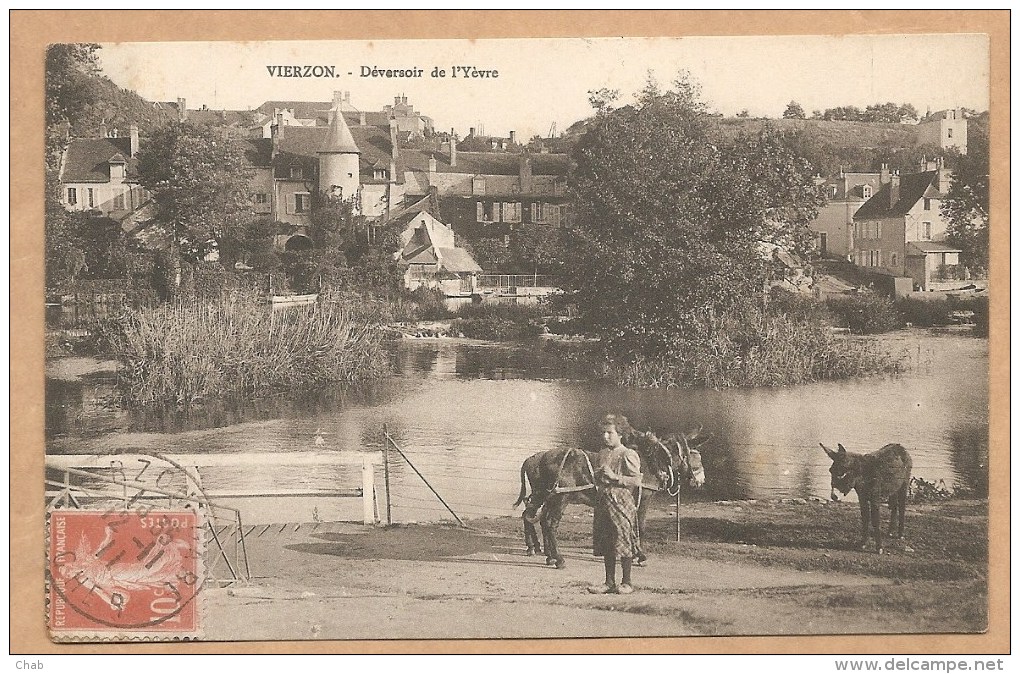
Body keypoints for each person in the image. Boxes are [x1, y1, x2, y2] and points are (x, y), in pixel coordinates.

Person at [588, 414, 643, 595]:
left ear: (620, 434)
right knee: (606, 540)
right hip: (604, 500)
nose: (605, 436)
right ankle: (609, 582)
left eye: (610, 433)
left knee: (622, 539)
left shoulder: (628, 454)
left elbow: (636, 481)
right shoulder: (602, 454)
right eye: (603, 432)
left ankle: (627, 582)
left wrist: (614, 477)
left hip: (621, 501)